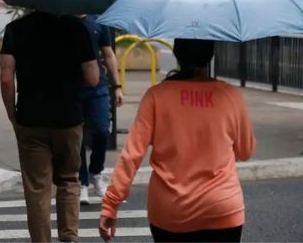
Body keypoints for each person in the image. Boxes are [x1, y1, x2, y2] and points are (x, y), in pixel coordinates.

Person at [99, 39, 256, 243]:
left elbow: (131, 155)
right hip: (221, 206)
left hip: (170, 210)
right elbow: (245, 152)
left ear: (177, 55)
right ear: (211, 55)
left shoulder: (156, 96)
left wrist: (111, 204)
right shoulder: (230, 95)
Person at [0, 11, 99, 243]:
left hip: (30, 118)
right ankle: (69, 236)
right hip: (68, 119)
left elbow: (6, 78)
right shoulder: (78, 28)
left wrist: (12, 115)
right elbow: (93, 77)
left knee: (37, 187)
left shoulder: (16, 29)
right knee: (68, 179)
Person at [77, 15, 124, 204]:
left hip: (98, 87)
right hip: (73, 87)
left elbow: (109, 53)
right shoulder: (64, 21)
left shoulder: (98, 21)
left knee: (102, 130)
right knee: (77, 135)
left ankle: (96, 172)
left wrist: (117, 86)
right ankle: (82, 182)